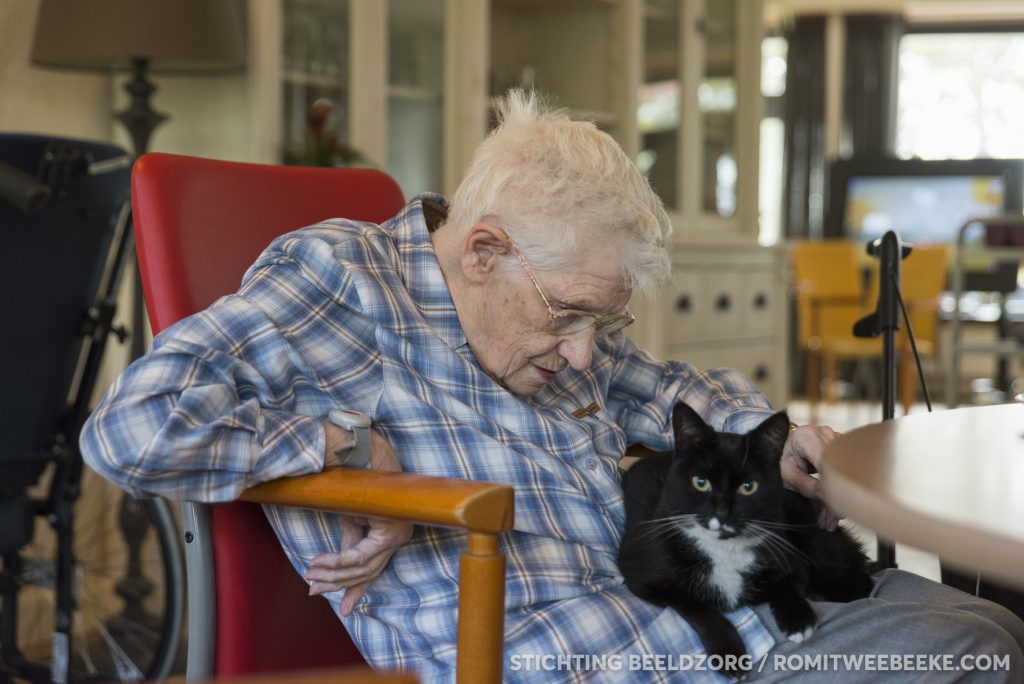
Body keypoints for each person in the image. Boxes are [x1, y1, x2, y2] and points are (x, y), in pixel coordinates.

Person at [82, 90, 1023, 682]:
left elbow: (663, 383)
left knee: (985, 621)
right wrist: (345, 447)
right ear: (484, 249)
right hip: (578, 657)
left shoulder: (545, 319)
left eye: (600, 325)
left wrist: (773, 431)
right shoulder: (344, 280)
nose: (583, 355)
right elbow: (132, 427)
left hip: (701, 617)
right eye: (569, 314)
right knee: (972, 650)